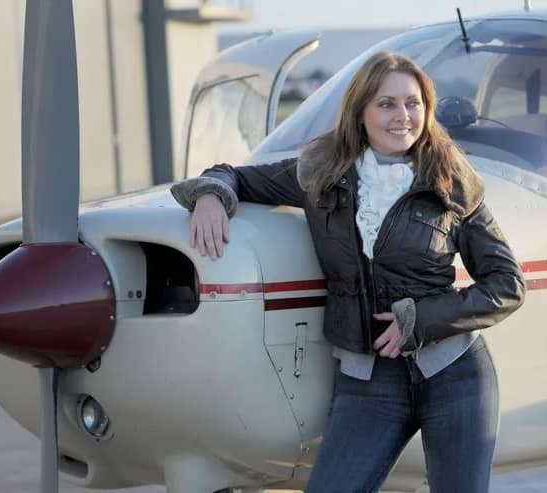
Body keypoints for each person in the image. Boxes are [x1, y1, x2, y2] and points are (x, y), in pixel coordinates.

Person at [170, 52, 526, 493]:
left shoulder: (450, 177)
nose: (403, 117)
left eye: (413, 103)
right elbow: (233, 176)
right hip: (368, 383)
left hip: (453, 375)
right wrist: (209, 196)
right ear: (360, 111)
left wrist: (420, 320)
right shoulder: (322, 172)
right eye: (387, 104)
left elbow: (506, 284)